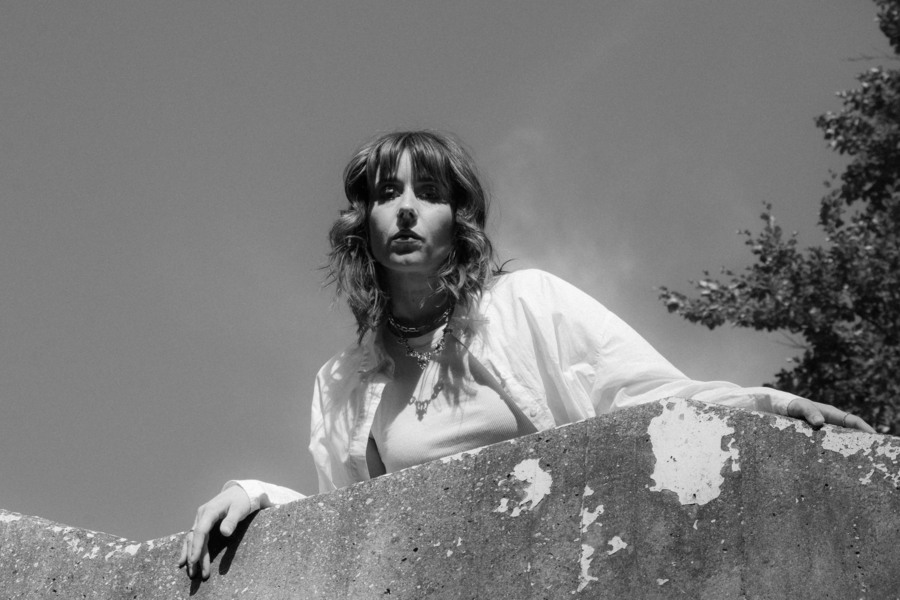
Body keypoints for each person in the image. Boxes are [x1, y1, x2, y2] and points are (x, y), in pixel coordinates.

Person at [178, 130, 875, 579]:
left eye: (429, 193)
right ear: (364, 223)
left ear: (460, 221)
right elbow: (343, 525)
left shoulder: (527, 305)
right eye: (388, 194)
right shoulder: (342, 381)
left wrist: (768, 403)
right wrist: (255, 493)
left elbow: (644, 395)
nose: (408, 209)